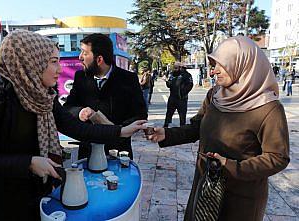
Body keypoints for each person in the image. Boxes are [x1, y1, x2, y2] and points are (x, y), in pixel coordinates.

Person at [0, 30, 146, 221]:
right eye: (53, 62)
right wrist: (29, 162)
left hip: (27, 194)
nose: (60, 69)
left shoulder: (43, 94)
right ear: (32, 62)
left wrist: (120, 131)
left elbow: (74, 127)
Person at [147, 36, 289, 221]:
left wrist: (232, 167)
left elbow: (278, 157)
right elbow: (197, 127)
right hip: (205, 184)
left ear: (242, 64)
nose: (213, 71)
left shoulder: (269, 108)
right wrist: (166, 134)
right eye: (213, 65)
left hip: (240, 197)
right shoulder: (214, 95)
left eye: (220, 65)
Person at [63, 33, 147, 160]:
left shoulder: (128, 79)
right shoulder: (81, 77)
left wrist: (116, 128)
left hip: (118, 151)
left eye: (85, 53)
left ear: (99, 59)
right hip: (88, 152)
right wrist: (80, 112)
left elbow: (140, 114)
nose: (80, 57)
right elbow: (68, 107)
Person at [163, 62, 193, 127]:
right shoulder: (172, 74)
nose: (175, 69)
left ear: (181, 68)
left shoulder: (187, 75)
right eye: (174, 67)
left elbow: (190, 85)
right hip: (172, 97)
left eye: (176, 67)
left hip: (182, 99)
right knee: (169, 113)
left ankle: (182, 129)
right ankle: (165, 127)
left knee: (182, 116)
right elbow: (169, 85)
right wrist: (166, 81)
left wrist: (182, 93)